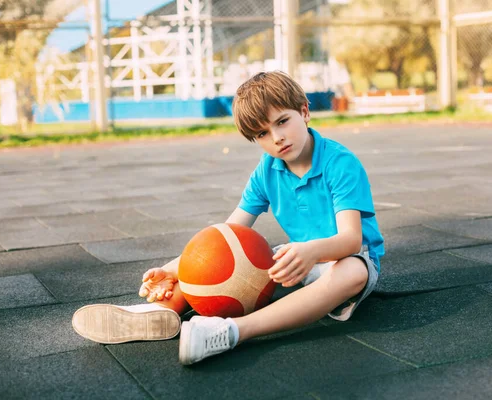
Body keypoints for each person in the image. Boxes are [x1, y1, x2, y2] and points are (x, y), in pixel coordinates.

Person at [72, 71, 384, 365]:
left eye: (283, 121)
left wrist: (311, 251)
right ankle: (160, 310)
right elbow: (228, 233)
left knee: (352, 273)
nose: (277, 137)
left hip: (347, 257)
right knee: (227, 257)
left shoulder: (339, 164)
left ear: (304, 112)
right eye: (263, 133)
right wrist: (172, 270)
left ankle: (232, 331)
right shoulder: (267, 170)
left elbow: (350, 239)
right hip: (298, 256)